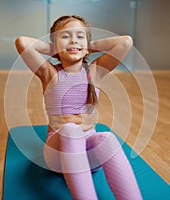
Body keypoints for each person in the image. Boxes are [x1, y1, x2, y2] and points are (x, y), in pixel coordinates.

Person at [15, 15, 142, 200]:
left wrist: (84, 46)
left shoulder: (95, 71)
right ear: (54, 44)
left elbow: (125, 42)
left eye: (80, 36)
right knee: (70, 130)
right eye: (65, 36)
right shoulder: (49, 73)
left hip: (90, 157)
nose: (74, 40)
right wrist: (59, 49)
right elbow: (22, 42)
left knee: (107, 138)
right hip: (58, 156)